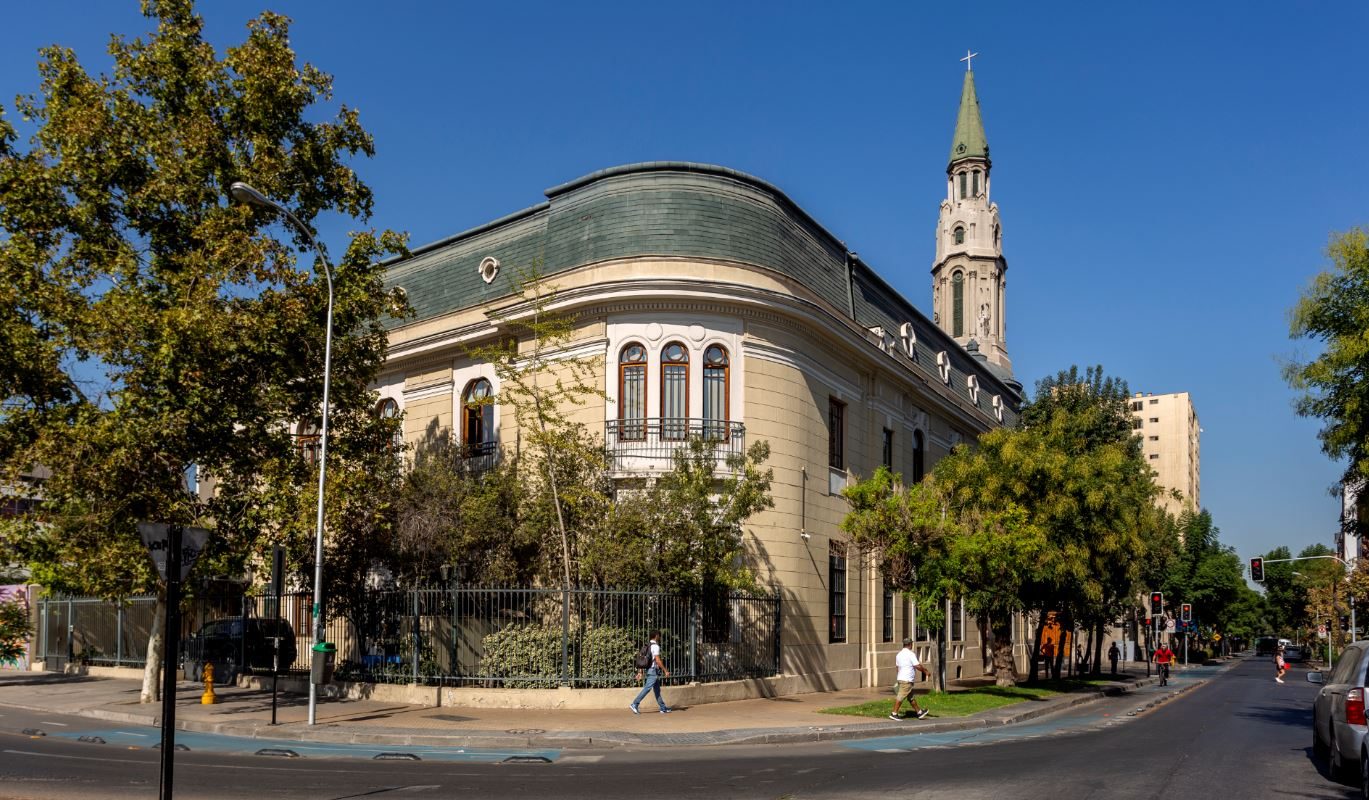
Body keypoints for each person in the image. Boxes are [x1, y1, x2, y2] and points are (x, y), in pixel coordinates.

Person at [630, 630, 671, 714]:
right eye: (659, 635)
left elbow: (642, 660)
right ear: (656, 636)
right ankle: (635, 704)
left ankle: (663, 707)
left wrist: (640, 672)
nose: (660, 637)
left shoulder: (647, 645)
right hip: (653, 671)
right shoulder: (655, 646)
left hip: (650, 670)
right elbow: (658, 660)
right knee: (647, 688)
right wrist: (665, 670)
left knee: (657, 690)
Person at [891, 637, 932, 720]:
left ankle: (919, 712)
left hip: (901, 678)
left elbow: (897, 667)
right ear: (910, 644)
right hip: (907, 680)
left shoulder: (899, 654)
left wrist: (899, 677)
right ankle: (894, 713)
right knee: (901, 697)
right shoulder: (910, 654)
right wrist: (925, 671)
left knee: (911, 697)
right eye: (912, 644)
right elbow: (917, 665)